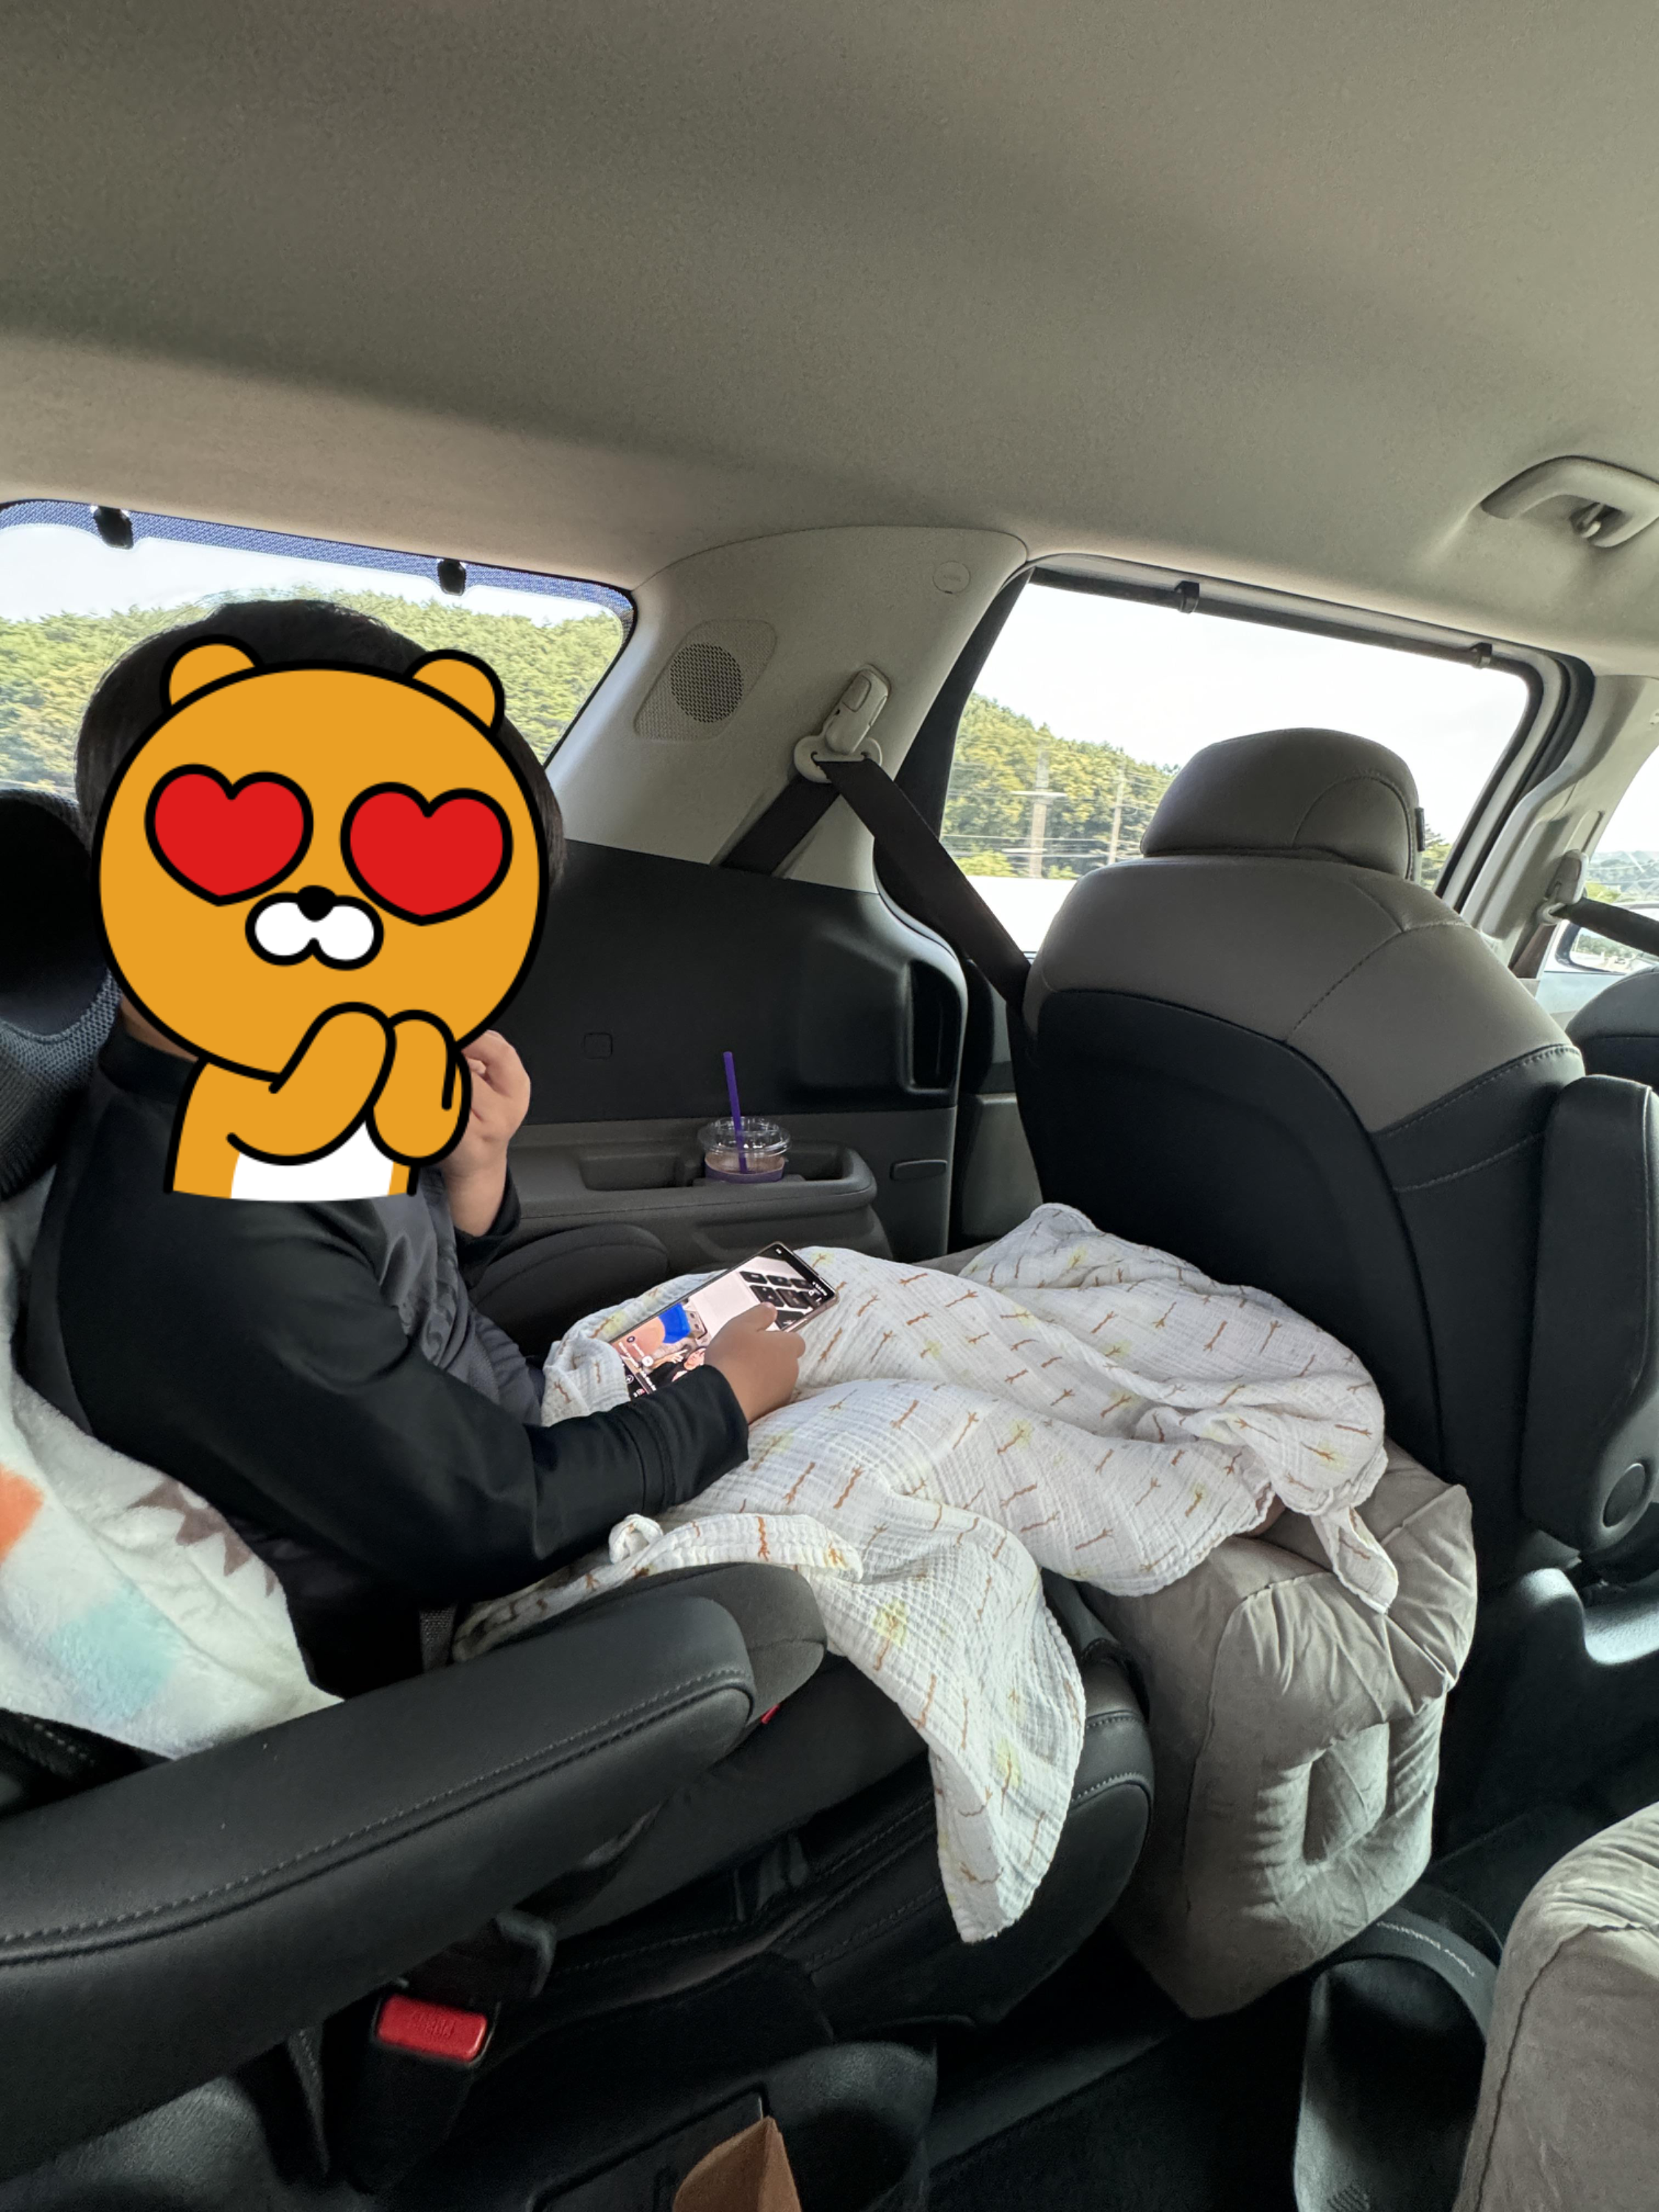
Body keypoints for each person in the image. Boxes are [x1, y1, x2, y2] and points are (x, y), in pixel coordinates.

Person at [23, 598, 802, 1694]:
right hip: (439, 1622)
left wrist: (475, 1181)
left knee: (814, 1289)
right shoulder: (198, 1229)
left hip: (495, 1430)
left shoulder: (258, 1093)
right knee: (904, 1416)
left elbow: (379, 1292)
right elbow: (488, 1522)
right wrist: (724, 1400)